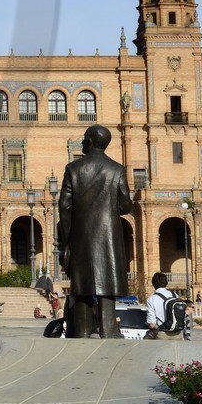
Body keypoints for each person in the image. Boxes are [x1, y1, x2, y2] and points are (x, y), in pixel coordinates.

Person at [56, 123, 133, 338]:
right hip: (109, 234)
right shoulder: (117, 169)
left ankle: (81, 330)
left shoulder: (73, 169)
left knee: (81, 285)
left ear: (90, 141)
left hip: (81, 235)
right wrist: (109, 209)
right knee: (107, 281)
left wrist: (68, 237)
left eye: (84, 138)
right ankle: (108, 329)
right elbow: (126, 205)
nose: (82, 142)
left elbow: (64, 206)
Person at [144, 272, 174, 339]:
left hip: (163, 335)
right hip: (178, 334)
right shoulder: (175, 295)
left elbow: (152, 324)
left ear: (153, 284)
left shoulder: (151, 299)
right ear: (166, 283)